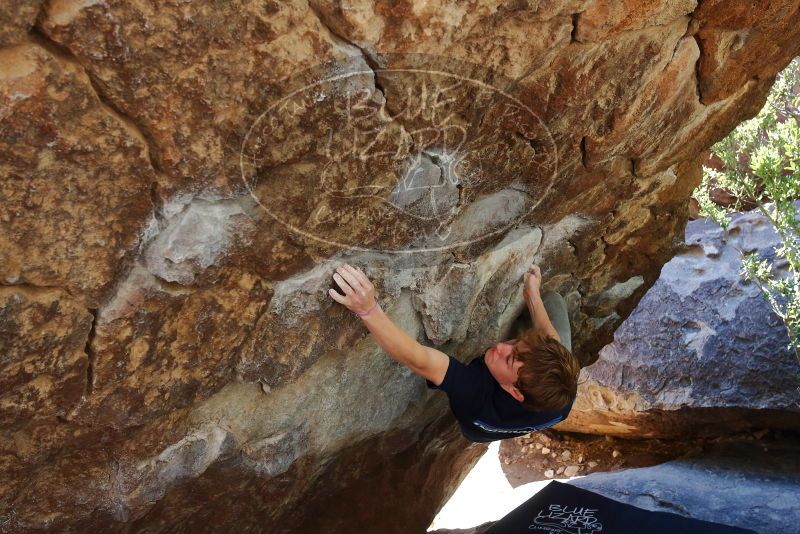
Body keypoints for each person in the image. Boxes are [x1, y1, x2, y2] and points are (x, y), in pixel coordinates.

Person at [328, 263, 581, 442]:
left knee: (552, 306)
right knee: (553, 302)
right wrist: (532, 294)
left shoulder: (476, 395)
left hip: (477, 429)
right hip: (514, 416)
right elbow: (551, 339)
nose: (500, 347)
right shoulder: (562, 392)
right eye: (516, 344)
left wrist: (367, 309)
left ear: (515, 391)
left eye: (508, 359)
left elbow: (418, 358)